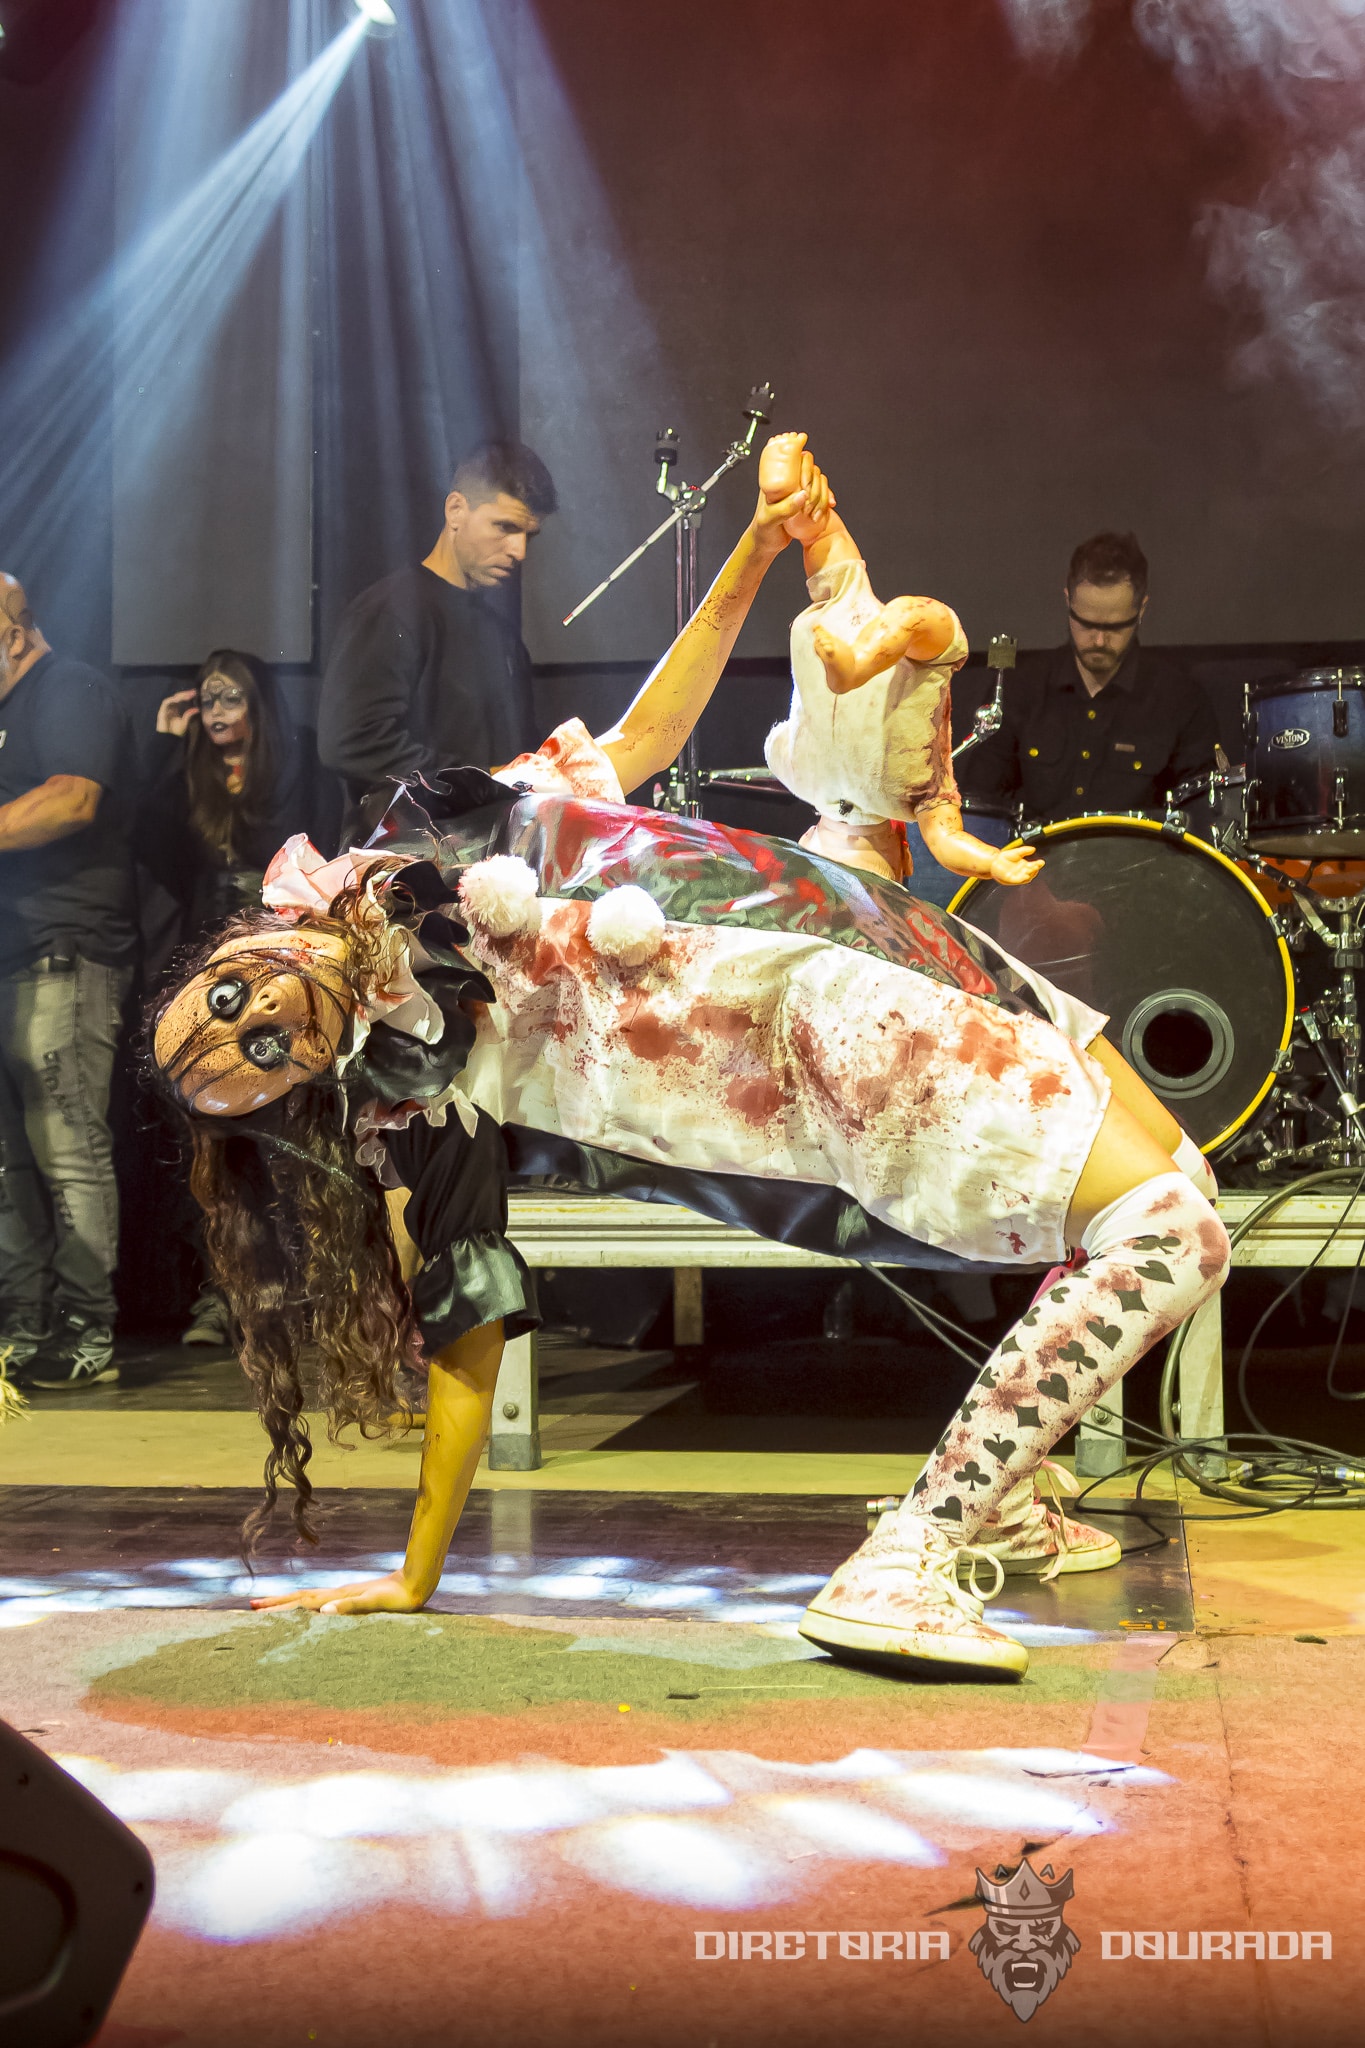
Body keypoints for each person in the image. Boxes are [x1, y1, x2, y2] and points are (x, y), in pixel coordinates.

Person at [149, 444, 1231, 1682]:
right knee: (1171, 1235)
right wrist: (415, 1572)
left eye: (227, 1000)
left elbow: (648, 732)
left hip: (870, 922)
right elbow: (467, 1333)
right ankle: (912, 1552)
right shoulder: (420, 1081)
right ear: (299, 1081)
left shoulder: (429, 829)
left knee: (1185, 1178)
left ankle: (1010, 1499)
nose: (261, 1018)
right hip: (842, 1036)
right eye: (262, 1054)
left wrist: (757, 547)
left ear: (239, 942)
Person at [761, 435, 1043, 891]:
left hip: (864, 645)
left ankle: (789, 498)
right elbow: (947, 844)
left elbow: (946, 842)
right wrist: (991, 862)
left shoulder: (818, 778)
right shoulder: (845, 785)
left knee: (889, 595)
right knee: (841, 555)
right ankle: (788, 498)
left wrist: (992, 863)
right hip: (861, 643)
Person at [143, 650, 323, 1348]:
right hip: (206, 972)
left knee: (283, 1133)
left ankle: (294, 1291)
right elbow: (149, 839)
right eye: (207, 700)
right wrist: (167, 745)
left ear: (257, 705)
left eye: (230, 699)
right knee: (208, 1138)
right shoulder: (192, 775)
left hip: (276, 965)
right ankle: (221, 1297)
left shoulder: (294, 768)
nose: (217, 713)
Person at [0, 574, 136, 1389]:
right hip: (11, 954)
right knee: (9, 1157)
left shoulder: (69, 689)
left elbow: (71, 800)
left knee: (66, 1143)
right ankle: (24, 1322)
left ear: (14, 633)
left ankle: (88, 1329)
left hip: (66, 950)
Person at [317, 440, 557, 833]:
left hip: (491, 856)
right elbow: (351, 741)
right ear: (456, 510)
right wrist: (483, 781)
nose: (519, 551)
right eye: (505, 527)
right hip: (411, 860)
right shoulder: (391, 610)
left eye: (530, 535)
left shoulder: (502, 636)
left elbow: (517, 761)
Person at [959, 530, 1217, 825]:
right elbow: (981, 803)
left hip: (1137, 853)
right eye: (1086, 623)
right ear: (1068, 601)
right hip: (1036, 853)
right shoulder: (1020, 688)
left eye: (1115, 627)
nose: (1098, 640)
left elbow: (1201, 814)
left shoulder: (1180, 699)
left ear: (1141, 610)